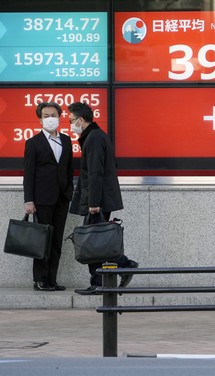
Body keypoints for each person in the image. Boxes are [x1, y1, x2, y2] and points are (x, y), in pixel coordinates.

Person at [67, 102, 139, 295]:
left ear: (81, 120)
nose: (70, 124)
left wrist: (93, 203)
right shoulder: (95, 136)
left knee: (92, 242)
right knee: (96, 241)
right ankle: (121, 267)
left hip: (97, 201)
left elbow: (96, 173)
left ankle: (112, 273)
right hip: (98, 198)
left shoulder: (94, 138)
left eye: (71, 120)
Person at [23, 102, 74, 292]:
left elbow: (69, 169)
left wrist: (69, 191)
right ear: (40, 119)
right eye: (46, 115)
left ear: (60, 117)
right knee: (42, 241)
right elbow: (28, 174)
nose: (50, 118)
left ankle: (52, 280)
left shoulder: (67, 140)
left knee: (57, 241)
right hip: (42, 199)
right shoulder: (33, 143)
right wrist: (29, 200)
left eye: (53, 114)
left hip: (62, 198)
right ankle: (40, 280)